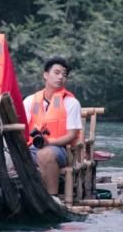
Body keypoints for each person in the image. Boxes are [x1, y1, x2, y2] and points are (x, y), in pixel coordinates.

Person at [22, 56, 82, 196]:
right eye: (57, 73)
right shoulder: (30, 100)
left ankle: (51, 197)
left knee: (45, 154)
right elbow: (22, 129)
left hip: (61, 150)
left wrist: (50, 142)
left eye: (64, 75)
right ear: (46, 75)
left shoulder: (71, 103)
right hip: (32, 147)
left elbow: (72, 135)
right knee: (8, 154)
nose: (61, 77)